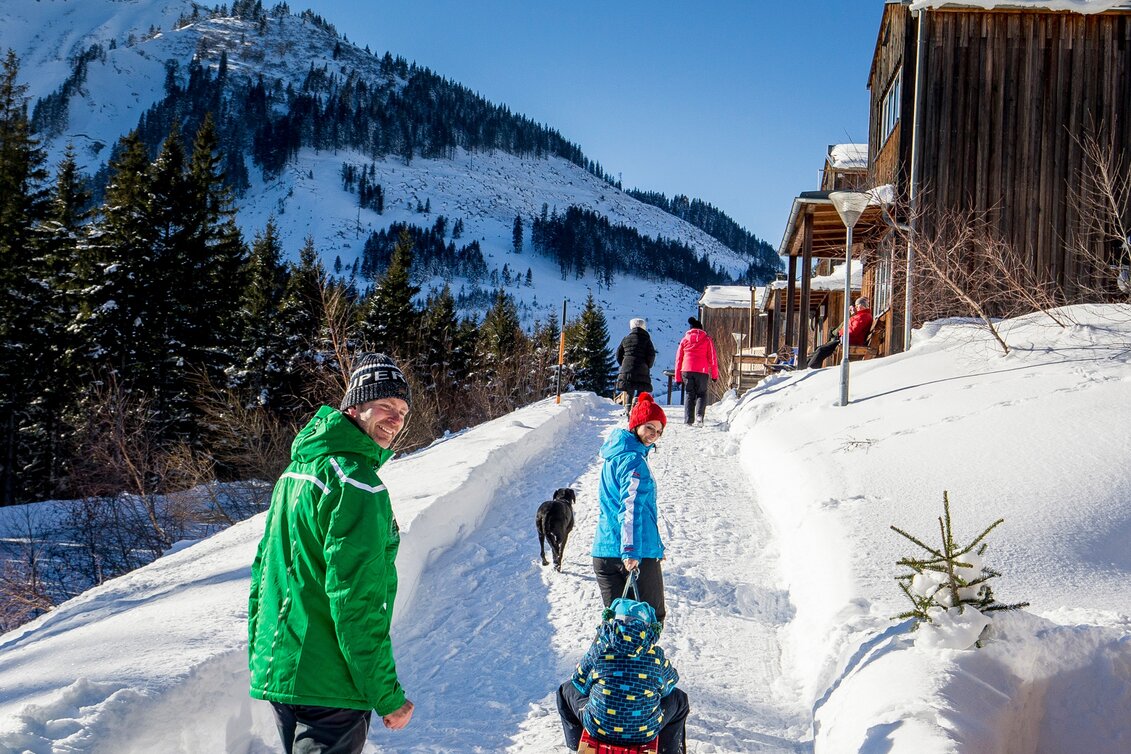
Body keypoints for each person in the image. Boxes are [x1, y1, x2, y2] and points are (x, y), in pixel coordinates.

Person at [249, 353, 415, 753]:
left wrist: (261, 653)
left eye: (402, 411)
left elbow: (263, 574)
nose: (396, 420)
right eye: (386, 406)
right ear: (354, 407)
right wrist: (386, 695)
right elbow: (357, 601)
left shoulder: (296, 473)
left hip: (283, 670)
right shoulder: (356, 484)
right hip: (329, 684)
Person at [556, 593, 690, 754]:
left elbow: (578, 681)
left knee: (564, 691)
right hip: (643, 734)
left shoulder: (600, 649)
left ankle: (576, 746)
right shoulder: (655, 656)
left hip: (598, 730)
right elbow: (669, 685)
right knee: (679, 699)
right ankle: (669, 750)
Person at [593, 392, 667, 625]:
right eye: (649, 427)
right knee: (650, 622)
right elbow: (630, 507)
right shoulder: (633, 461)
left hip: (605, 550)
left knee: (618, 628)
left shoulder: (615, 455)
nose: (654, 435)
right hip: (633, 552)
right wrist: (631, 550)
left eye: (659, 431)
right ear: (635, 425)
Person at [673, 317, 719, 426]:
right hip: (702, 371)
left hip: (686, 370)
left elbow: (678, 359)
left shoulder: (684, 340)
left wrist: (678, 377)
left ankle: (688, 420)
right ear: (701, 329)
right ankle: (699, 416)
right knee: (701, 394)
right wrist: (714, 375)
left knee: (689, 394)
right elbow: (712, 358)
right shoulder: (707, 339)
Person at [807, 296, 874, 370]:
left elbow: (853, 331)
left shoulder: (863, 316)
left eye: (856, 306)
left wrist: (840, 333)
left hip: (849, 340)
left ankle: (810, 368)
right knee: (820, 349)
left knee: (821, 350)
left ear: (861, 306)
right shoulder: (861, 315)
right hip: (846, 339)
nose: (856, 307)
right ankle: (807, 365)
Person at [615, 317, 657, 413]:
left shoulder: (626, 339)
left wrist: (623, 364)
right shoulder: (647, 340)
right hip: (642, 367)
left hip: (627, 367)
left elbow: (618, 354)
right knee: (641, 386)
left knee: (629, 388)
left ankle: (628, 408)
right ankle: (637, 402)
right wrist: (648, 365)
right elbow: (651, 355)